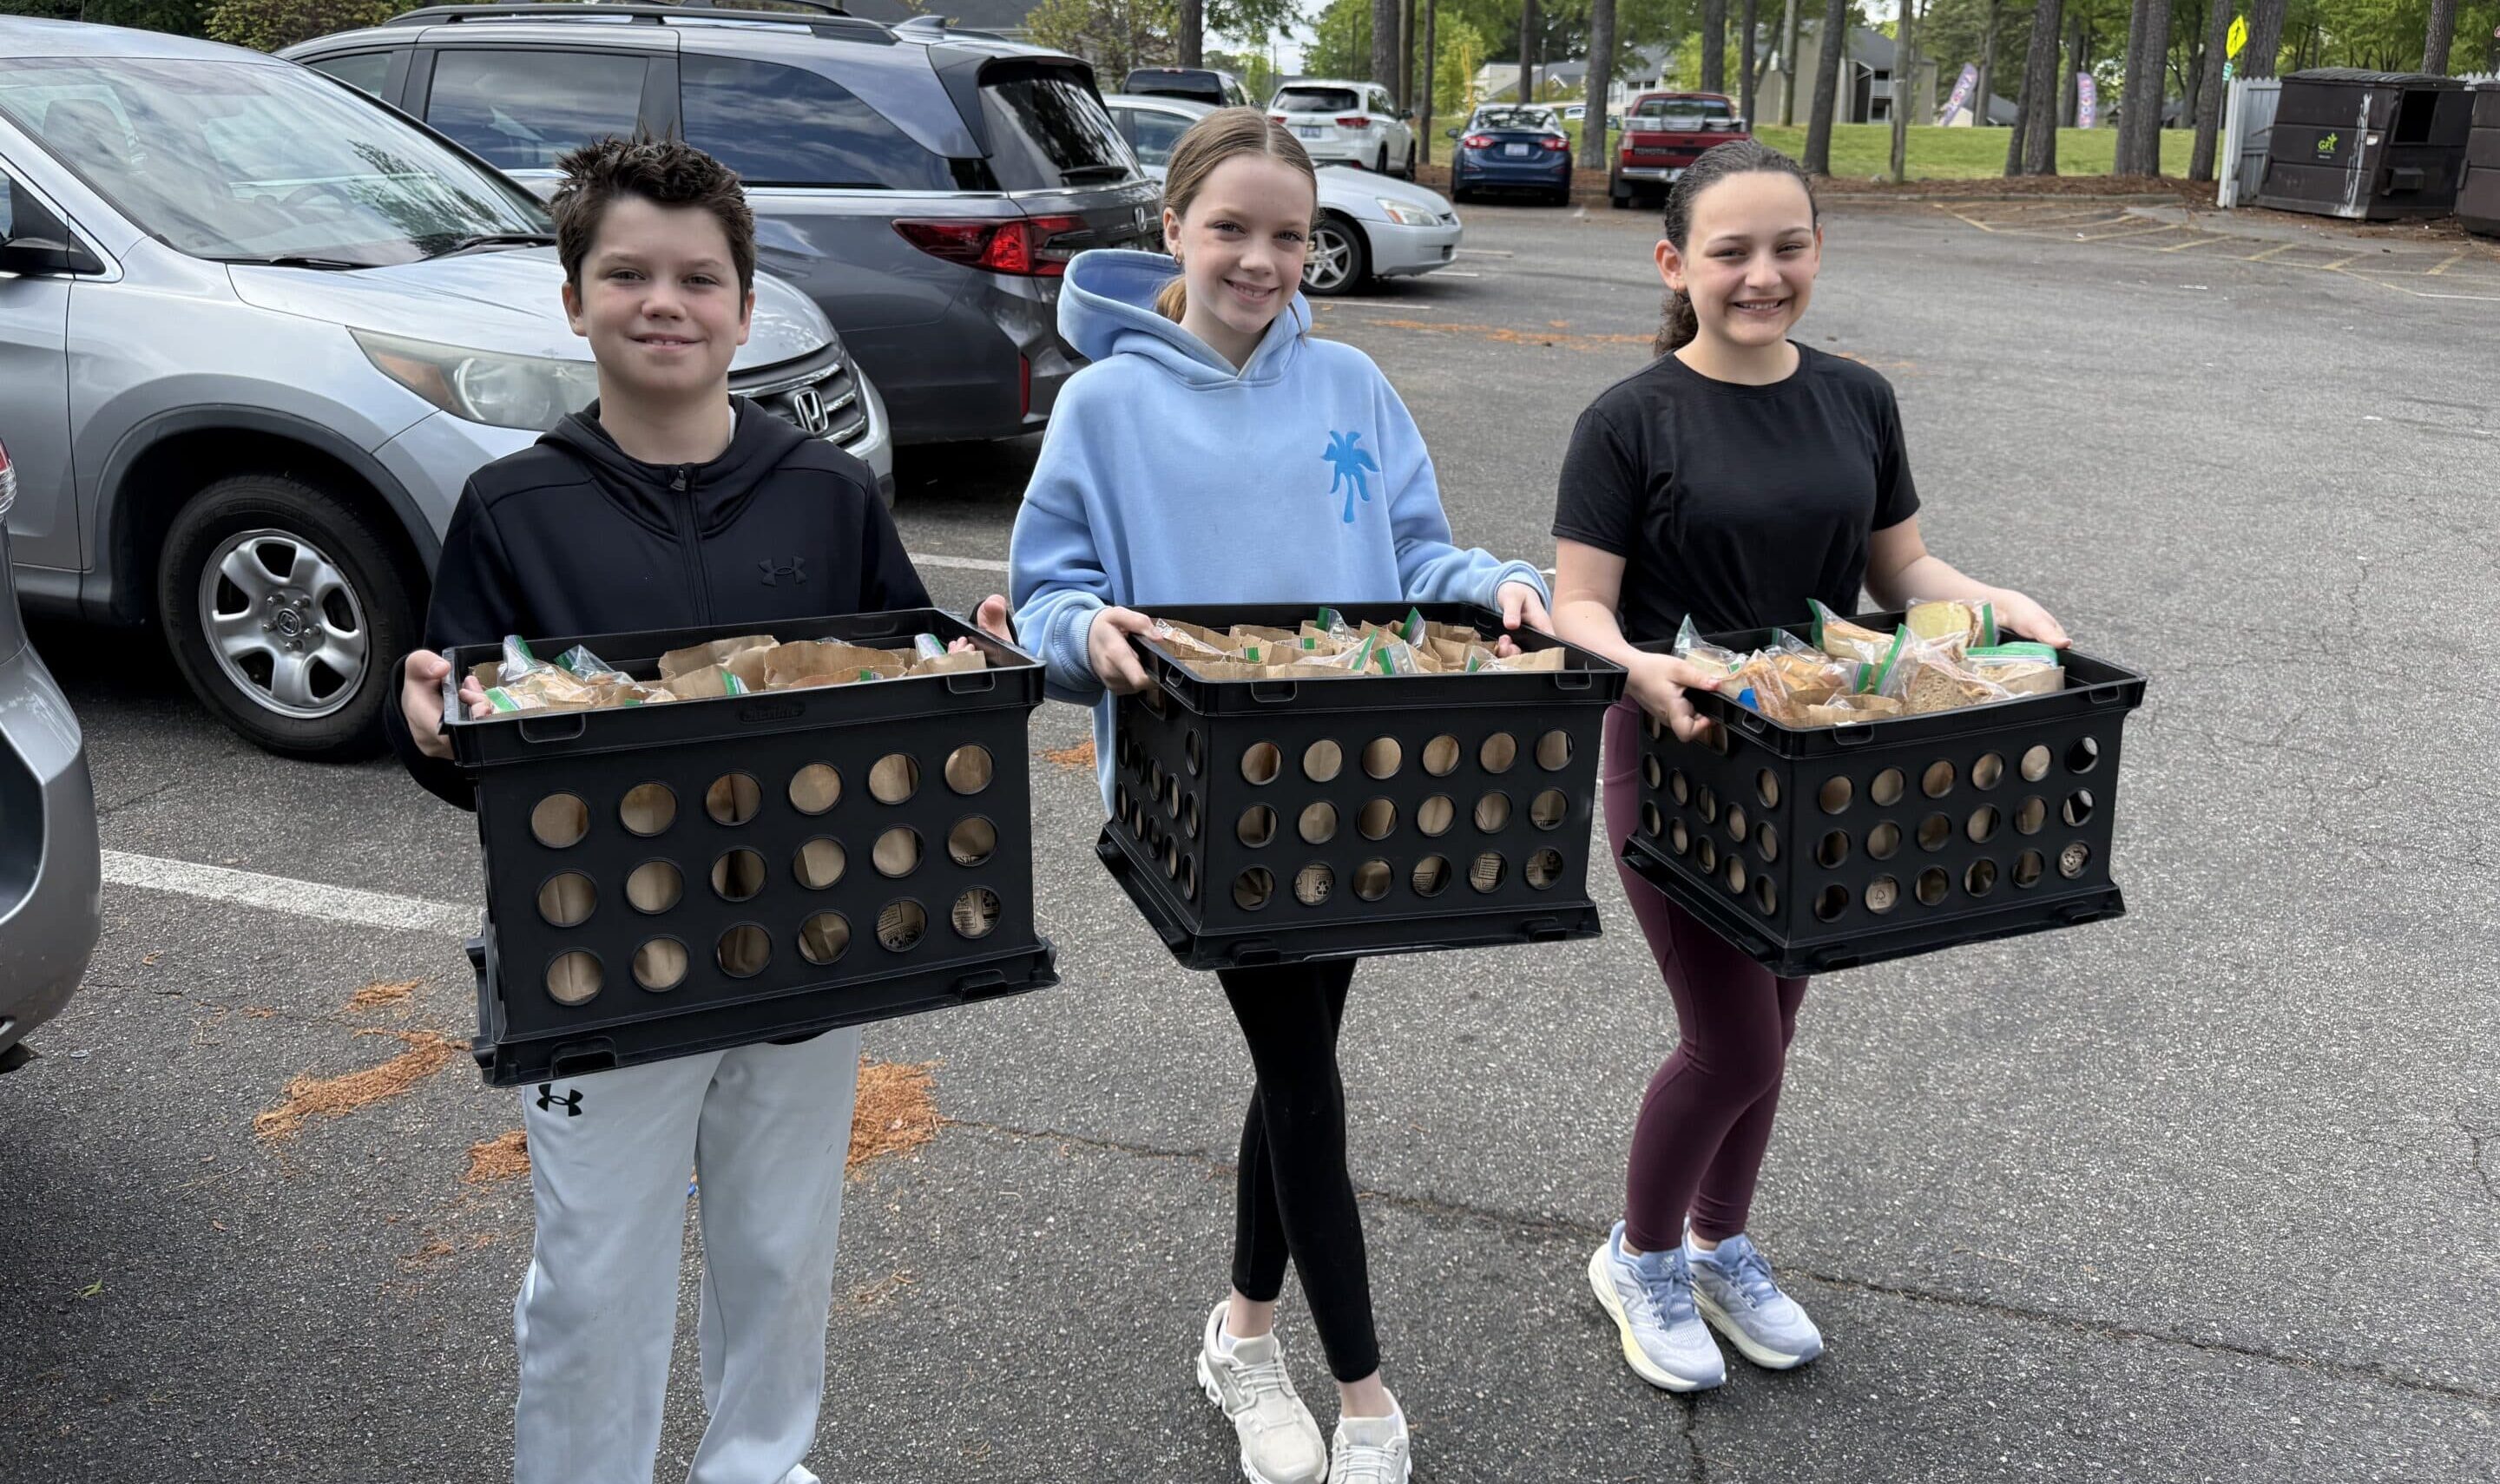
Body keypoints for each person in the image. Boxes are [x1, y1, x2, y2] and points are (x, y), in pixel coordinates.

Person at [387, 136, 998, 1484]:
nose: (664, 302)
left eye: (698, 278)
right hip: (598, 958)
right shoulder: (511, 505)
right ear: (573, 299)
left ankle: (757, 1461)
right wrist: (428, 723)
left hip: (808, 941)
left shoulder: (826, 491)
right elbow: (470, 726)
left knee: (780, 1250)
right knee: (596, 1269)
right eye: (628, 273)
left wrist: (969, 652)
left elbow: (909, 683)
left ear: (743, 301)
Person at [1007, 108, 1551, 1484]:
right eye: (1231, 228)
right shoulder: (1106, 402)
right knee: (1303, 1071)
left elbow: (1417, 549)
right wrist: (1086, 637)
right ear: (1172, 230)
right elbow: (1051, 591)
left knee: (1291, 1065)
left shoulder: (1354, 384)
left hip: (1356, 786)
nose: (1261, 259)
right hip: (1208, 808)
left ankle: (1242, 1327)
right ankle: (1362, 1384)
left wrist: (1492, 584)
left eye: (1289, 235)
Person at [1546, 140, 2070, 1394]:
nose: (1762, 274)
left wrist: (1995, 599)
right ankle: (1643, 1253)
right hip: (1681, 753)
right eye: (1731, 251)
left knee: (1775, 1019)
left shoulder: (1857, 398)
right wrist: (1646, 670)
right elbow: (1579, 607)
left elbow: (1902, 576)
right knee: (1733, 1042)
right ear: (1678, 262)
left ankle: (1722, 1238)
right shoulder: (1627, 420)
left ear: (1819, 252)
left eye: (1789, 246)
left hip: (1822, 755)